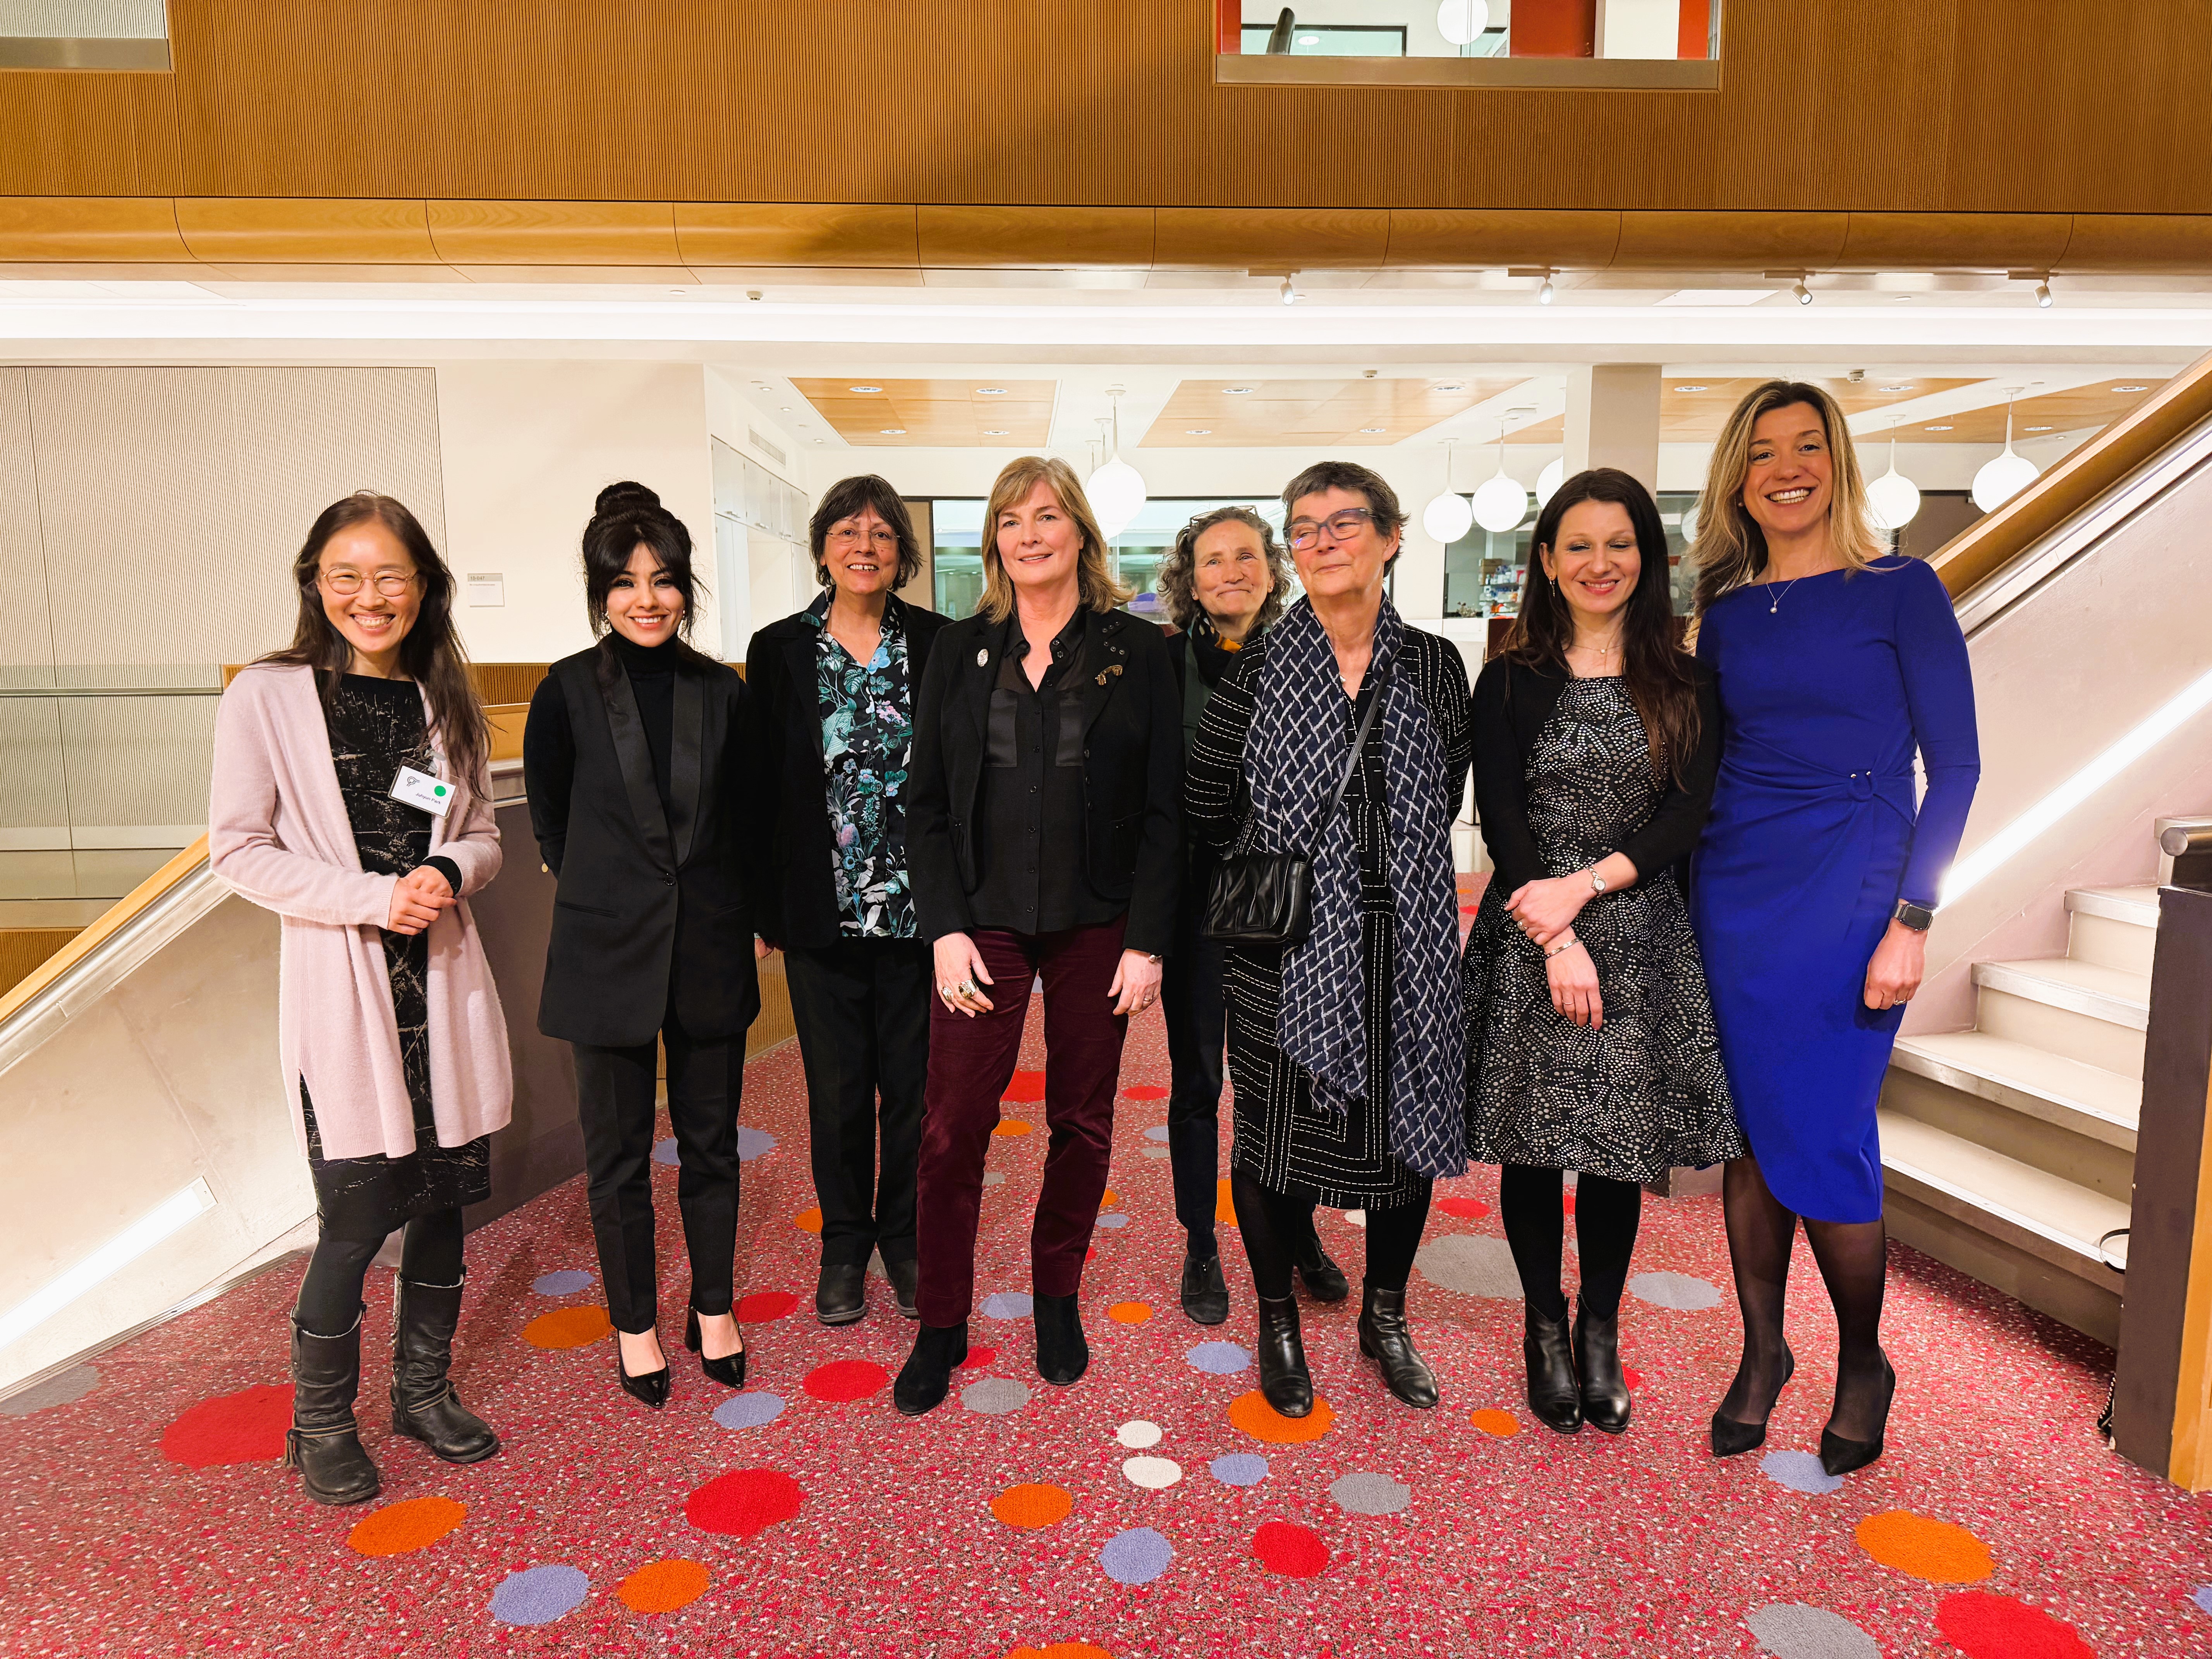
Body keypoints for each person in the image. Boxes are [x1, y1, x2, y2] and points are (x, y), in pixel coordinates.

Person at [1689, 382, 1979, 1475]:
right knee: (1754, 1134)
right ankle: (1765, 1355)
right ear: (1740, 476)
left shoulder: (1901, 588)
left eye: (1808, 446)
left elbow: (1956, 766)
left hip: (1854, 887)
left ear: (1837, 460)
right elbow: (1704, 756)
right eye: (1764, 451)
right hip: (1736, 884)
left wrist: (1913, 917)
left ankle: (1864, 1358)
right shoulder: (1725, 608)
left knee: (1830, 1134)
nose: (1787, 467)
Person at [210, 492, 509, 1506]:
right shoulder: (270, 694)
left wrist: (449, 875)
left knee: (442, 1207)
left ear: (424, 588)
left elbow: (473, 832)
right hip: (348, 994)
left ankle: (422, 1389)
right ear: (315, 583)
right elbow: (239, 850)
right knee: (353, 1218)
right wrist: (378, 896)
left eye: (391, 576)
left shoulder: (434, 704)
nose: (369, 596)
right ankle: (321, 1420)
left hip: (440, 988)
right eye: (347, 574)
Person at [893, 455, 1183, 1415]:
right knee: (951, 1127)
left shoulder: (1139, 654)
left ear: (1081, 535)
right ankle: (943, 1320)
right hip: (981, 925)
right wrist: (942, 928)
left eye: (1048, 515)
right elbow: (925, 805)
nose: (1030, 533)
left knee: (1084, 1122)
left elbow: (1164, 811)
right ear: (995, 543)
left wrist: (1148, 941)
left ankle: (1056, 1296)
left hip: (1099, 923)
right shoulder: (957, 651)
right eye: (1012, 519)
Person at [1462, 468, 1745, 1437]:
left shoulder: (1689, 678)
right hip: (1534, 927)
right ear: (1546, 560)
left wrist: (1585, 893)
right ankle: (1544, 1327)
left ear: (1648, 557)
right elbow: (1501, 812)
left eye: (1617, 544)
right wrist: (1555, 930)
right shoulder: (1509, 674)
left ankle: (1599, 1331)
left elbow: (1687, 815)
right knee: (1536, 1145)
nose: (1598, 563)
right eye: (1576, 545)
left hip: (1635, 928)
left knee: (1617, 1151)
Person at [1186, 461, 1473, 1414]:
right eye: (1304, 529)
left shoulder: (1434, 665)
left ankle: (1384, 1316)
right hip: (1284, 945)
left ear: (1392, 538)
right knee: (1271, 1139)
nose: (1324, 542)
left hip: (1413, 947)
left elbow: (1447, 795)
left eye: (1346, 523)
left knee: (1404, 1132)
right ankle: (1278, 1317)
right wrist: (1290, 876)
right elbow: (1206, 802)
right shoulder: (1257, 667)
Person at [523, 482, 763, 1408]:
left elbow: (741, 818)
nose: (647, 599)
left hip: (705, 948)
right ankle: (634, 1324)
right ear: (600, 592)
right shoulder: (567, 690)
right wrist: (605, 891)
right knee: (618, 1155)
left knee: (711, 1145)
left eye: (664, 580)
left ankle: (713, 1309)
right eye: (626, 584)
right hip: (605, 956)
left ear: (686, 588)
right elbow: (549, 822)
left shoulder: (719, 690)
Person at [747, 476, 951, 1326]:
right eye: (848, 531)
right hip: (820, 911)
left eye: (882, 533)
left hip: (918, 915)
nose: (864, 545)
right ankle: (843, 1244)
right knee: (835, 1090)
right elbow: (759, 780)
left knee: (911, 1087)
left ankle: (901, 1238)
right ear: (823, 546)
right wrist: (763, 908)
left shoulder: (941, 644)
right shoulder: (779, 648)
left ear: (902, 553)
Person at [1152, 506, 1350, 1326]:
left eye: (1245, 557)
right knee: (1200, 1078)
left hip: (1292, 905)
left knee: (1289, 1079)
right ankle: (1202, 1239)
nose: (1229, 572)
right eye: (1211, 561)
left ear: (1271, 570)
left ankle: (1296, 1231)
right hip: (1198, 905)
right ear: (1188, 581)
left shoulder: (1315, 658)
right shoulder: (1161, 666)